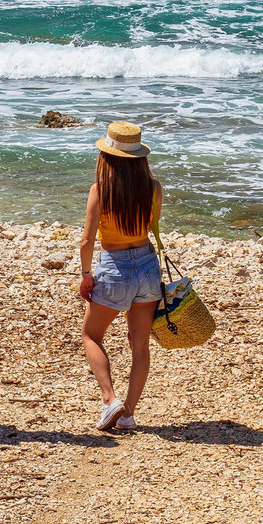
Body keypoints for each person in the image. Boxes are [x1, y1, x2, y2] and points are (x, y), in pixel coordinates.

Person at [78, 118, 162, 433]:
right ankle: (128, 414)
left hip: (115, 266)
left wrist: (86, 274)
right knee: (140, 346)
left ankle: (109, 398)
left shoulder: (100, 191)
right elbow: (151, 226)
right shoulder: (154, 188)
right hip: (147, 265)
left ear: (107, 157)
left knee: (91, 335)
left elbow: (87, 240)